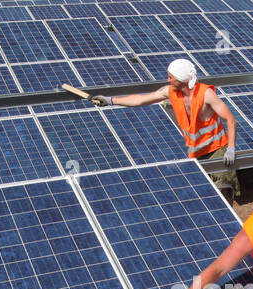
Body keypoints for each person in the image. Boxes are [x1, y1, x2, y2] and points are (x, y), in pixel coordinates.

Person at [88, 58, 240, 200]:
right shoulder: (170, 92)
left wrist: (231, 148)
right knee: (205, 196)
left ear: (182, 80)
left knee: (223, 192)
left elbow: (230, 119)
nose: (168, 80)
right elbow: (140, 100)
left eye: (171, 77)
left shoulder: (206, 94)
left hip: (217, 150)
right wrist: (111, 100)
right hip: (196, 153)